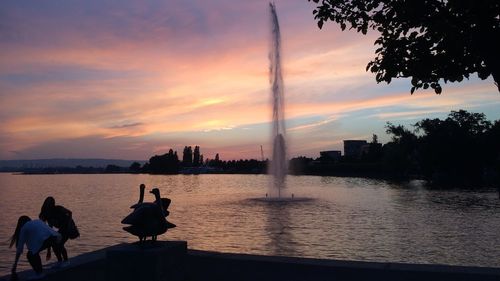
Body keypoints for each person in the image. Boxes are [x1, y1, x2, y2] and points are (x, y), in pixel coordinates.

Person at [39, 196, 79, 265]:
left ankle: (66, 261)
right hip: (61, 229)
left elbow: (70, 212)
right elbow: (49, 230)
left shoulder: (58, 208)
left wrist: (69, 224)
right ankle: (60, 261)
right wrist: (48, 251)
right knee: (54, 244)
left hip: (67, 227)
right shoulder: (47, 215)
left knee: (60, 244)